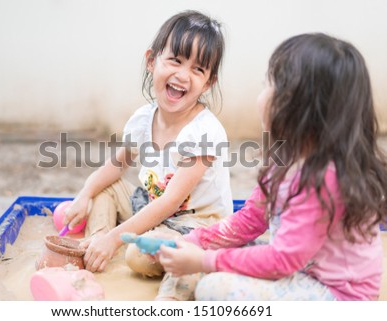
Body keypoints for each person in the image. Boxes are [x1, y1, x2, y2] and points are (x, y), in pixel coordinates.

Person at [158, 33, 387, 301]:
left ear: (299, 106)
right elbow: (250, 220)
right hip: (298, 267)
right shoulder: (285, 156)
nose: (262, 93)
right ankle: (168, 301)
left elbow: (281, 260)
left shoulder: (323, 178)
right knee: (201, 259)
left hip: (338, 295)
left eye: (270, 84)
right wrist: (193, 242)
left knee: (214, 286)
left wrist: (206, 261)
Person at [63, 10, 232, 298]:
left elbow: (172, 200)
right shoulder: (143, 119)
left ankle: (180, 283)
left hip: (197, 223)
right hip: (152, 211)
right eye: (175, 61)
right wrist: (85, 193)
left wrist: (115, 239)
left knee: (136, 257)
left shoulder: (204, 132)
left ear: (208, 83)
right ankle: (92, 248)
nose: (182, 75)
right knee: (105, 189)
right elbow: (116, 167)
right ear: (152, 61)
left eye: (197, 69)